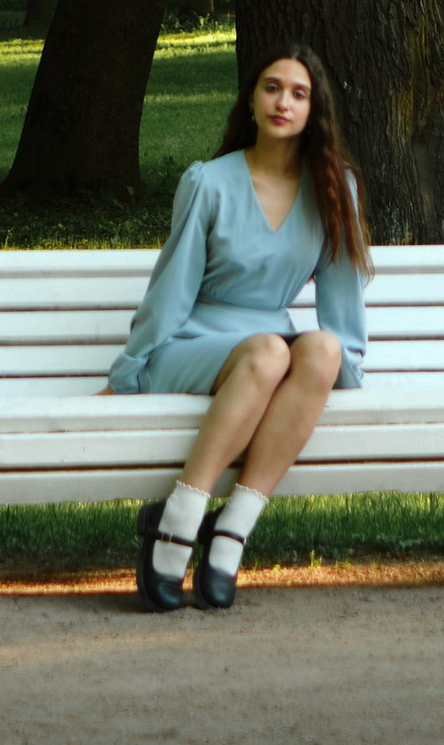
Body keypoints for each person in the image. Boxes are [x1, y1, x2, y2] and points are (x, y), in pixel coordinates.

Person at [107, 42, 370, 614]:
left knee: (318, 350)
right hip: (191, 343)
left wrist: (338, 368)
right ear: (251, 100)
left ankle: (234, 527)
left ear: (314, 110)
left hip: (268, 348)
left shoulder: (333, 187)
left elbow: (342, 299)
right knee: (270, 354)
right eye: (272, 87)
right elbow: (171, 287)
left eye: (299, 93)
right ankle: (179, 516)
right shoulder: (208, 182)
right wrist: (127, 370)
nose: (283, 102)